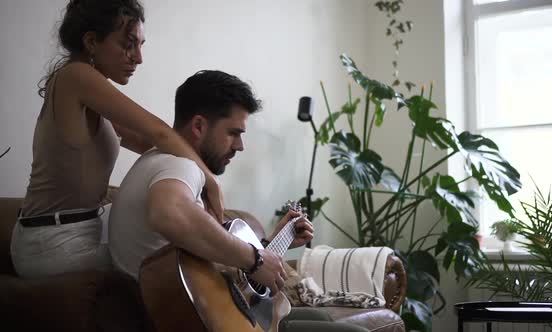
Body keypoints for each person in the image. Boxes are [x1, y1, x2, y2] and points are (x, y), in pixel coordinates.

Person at [108, 70, 370, 332]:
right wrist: (256, 259)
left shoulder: (161, 163)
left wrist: (268, 247)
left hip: (200, 311)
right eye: (233, 132)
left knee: (320, 319)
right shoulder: (180, 167)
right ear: (199, 126)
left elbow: (212, 265)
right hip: (195, 319)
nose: (240, 145)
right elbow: (170, 213)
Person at [10, 0, 223, 279]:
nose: (138, 57)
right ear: (91, 41)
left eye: (141, 45)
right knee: (170, 261)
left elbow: (152, 146)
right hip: (51, 243)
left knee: (167, 225)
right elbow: (157, 131)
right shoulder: (76, 77)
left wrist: (193, 180)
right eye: (128, 44)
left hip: (78, 227)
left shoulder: (90, 95)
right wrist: (211, 182)